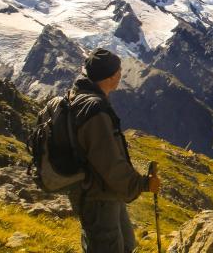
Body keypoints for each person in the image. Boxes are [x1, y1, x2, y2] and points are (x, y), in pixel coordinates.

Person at [67, 48, 161, 253]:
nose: (121, 74)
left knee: (126, 245)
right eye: (119, 71)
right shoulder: (95, 111)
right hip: (97, 196)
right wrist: (144, 184)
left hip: (104, 192)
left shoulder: (81, 96)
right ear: (111, 77)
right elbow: (109, 163)